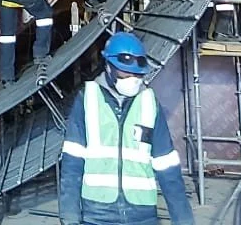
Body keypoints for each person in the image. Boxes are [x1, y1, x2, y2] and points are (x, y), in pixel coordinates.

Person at [60, 32, 194, 225]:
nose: (132, 78)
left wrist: (183, 219)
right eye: (126, 72)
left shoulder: (149, 103)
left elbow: (167, 166)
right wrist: (70, 216)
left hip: (142, 214)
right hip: (97, 214)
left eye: (137, 74)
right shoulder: (88, 99)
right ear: (108, 67)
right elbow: (72, 163)